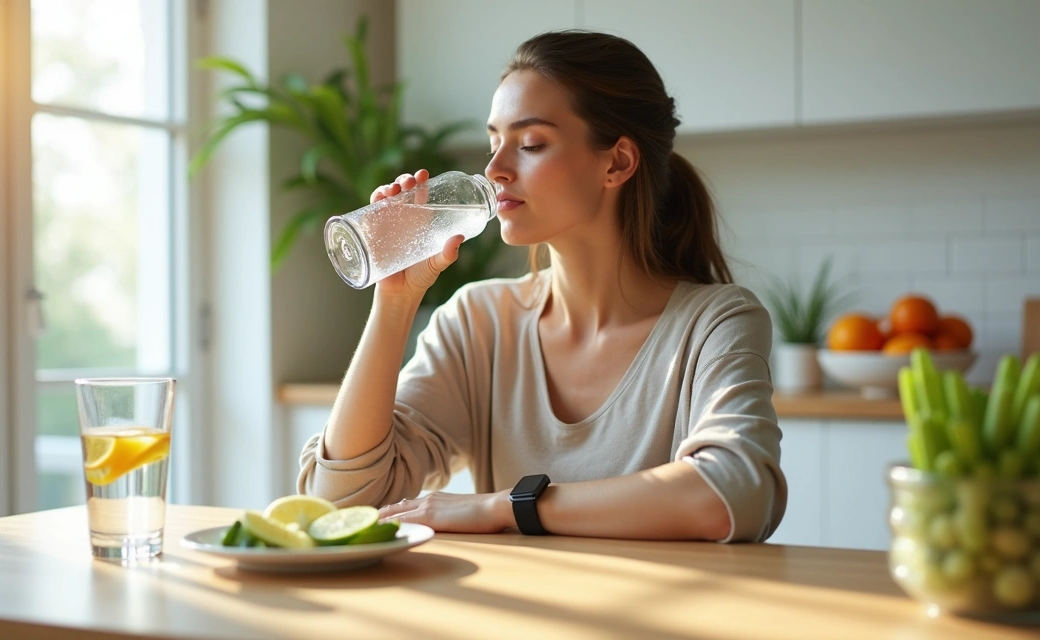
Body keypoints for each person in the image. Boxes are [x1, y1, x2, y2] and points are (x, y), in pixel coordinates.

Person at [298, 30, 786, 542]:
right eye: (493, 143)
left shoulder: (715, 323)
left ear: (617, 162)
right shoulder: (478, 322)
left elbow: (734, 494)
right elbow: (338, 506)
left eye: (530, 144)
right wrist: (394, 302)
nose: (494, 170)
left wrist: (506, 507)